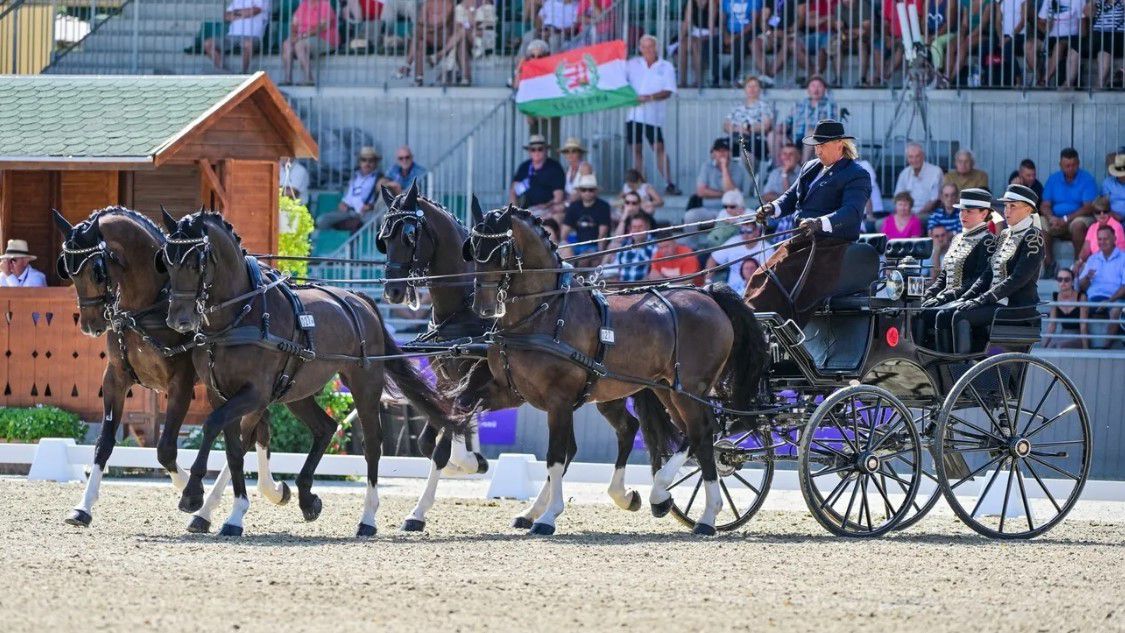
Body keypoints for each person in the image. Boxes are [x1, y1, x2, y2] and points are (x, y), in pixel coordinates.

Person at [746, 119, 872, 325]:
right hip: (802, 239)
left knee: (782, 275)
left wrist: (820, 222)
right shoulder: (811, 167)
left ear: (839, 144)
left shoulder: (856, 175)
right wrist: (772, 208)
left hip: (830, 246)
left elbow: (851, 212)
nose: (817, 151)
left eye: (822, 146)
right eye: (816, 146)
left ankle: (768, 326)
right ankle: (752, 319)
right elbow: (790, 197)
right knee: (762, 274)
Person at [934, 184, 1045, 354]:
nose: (1006, 211)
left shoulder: (1033, 236)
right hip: (997, 303)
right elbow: (987, 274)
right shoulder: (1005, 235)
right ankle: (941, 365)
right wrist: (967, 297)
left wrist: (984, 298)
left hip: (1016, 307)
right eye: (1006, 206)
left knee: (960, 316)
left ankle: (961, 366)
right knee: (944, 314)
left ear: (1028, 209)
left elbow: (1018, 278)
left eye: (1013, 206)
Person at [916, 188, 996, 347]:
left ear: (984, 213)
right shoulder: (957, 239)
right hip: (950, 296)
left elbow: (978, 280)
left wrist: (945, 297)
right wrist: (930, 293)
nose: (963, 215)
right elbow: (944, 277)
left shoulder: (988, 241)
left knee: (942, 315)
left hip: (971, 299)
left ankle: (950, 364)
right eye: (961, 211)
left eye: (969, 211)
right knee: (916, 310)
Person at [625, 35, 682, 195]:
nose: (647, 49)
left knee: (659, 148)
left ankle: (669, 183)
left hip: (654, 116)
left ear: (656, 47)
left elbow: (668, 91)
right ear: (640, 48)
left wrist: (649, 97)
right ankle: (640, 186)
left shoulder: (666, 66)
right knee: (636, 149)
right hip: (633, 114)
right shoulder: (632, 64)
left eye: (650, 46)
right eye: (644, 46)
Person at [1041, 147, 1098, 275]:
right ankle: (1049, 265)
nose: (1070, 168)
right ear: (1060, 165)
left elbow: (1089, 207)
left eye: (1073, 165)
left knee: (1078, 225)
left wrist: (1066, 219)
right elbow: (1045, 205)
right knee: (1039, 222)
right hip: (1056, 219)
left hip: (1078, 217)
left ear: (1078, 164)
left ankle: (1078, 266)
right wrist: (1051, 218)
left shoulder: (1087, 179)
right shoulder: (1053, 179)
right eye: (1067, 165)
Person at [317, 146, 388, 231]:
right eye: (364, 160)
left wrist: (370, 207)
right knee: (321, 221)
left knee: (378, 221)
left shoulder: (379, 179)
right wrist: (343, 203)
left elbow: (382, 202)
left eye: (371, 160)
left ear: (375, 163)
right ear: (360, 162)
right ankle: (334, 240)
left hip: (366, 213)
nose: (367, 163)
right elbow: (347, 198)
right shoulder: (354, 177)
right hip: (348, 212)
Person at [771, 76, 837, 161]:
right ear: (808, 90)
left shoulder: (830, 106)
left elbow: (832, 125)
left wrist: (815, 130)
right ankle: (778, 168)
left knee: (810, 133)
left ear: (824, 89)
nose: (816, 89)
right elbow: (788, 121)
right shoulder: (799, 105)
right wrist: (781, 127)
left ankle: (804, 166)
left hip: (818, 141)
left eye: (819, 86)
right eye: (813, 86)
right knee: (772, 135)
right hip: (795, 139)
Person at [1078, 224, 1125, 340]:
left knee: (1115, 310)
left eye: (1106, 239)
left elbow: (1124, 286)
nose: (1102, 242)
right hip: (1092, 299)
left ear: (1114, 239)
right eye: (1099, 239)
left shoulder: (1123, 258)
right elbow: (1082, 286)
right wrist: (1087, 277)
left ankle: (1105, 348)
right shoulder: (1092, 258)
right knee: (1082, 304)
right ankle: (1085, 347)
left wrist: (1108, 301)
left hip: (1113, 299)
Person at [281, 0, 338, 85]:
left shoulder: (325, 5)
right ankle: (288, 79)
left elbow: (323, 26)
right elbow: (294, 24)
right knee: (287, 44)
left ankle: (309, 78)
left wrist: (303, 35)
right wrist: (293, 36)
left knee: (299, 45)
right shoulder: (303, 5)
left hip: (325, 38)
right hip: (303, 37)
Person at [204, 0, 269, 73]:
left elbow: (255, 11)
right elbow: (226, 16)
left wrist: (235, 13)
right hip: (231, 37)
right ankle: (225, 71)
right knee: (208, 43)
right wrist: (244, 13)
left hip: (252, 37)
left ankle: (243, 72)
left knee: (248, 44)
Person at [510, 134, 567, 219]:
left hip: (548, 210)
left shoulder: (555, 167)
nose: (536, 152)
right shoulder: (524, 167)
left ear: (546, 151)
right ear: (529, 152)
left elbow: (558, 198)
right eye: (533, 149)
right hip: (526, 210)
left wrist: (545, 206)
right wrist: (514, 210)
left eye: (540, 149)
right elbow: (513, 191)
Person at [706, 222, 773, 292]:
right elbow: (713, 259)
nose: (745, 235)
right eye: (742, 232)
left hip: (756, 291)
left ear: (757, 231)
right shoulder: (734, 241)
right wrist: (708, 281)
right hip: (732, 291)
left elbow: (768, 276)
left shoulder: (767, 249)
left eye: (749, 231)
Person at [707, 0, 761, 86]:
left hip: (747, 34)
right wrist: (725, 35)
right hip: (729, 33)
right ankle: (718, 75)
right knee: (708, 44)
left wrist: (734, 38)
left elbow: (752, 24)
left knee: (740, 44)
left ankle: (729, 76)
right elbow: (723, 20)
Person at [688, 137, 749, 214]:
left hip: (730, 211)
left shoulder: (737, 168)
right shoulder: (706, 166)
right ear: (713, 153)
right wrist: (723, 194)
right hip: (708, 209)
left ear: (730, 153)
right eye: (718, 150)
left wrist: (724, 167)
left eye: (724, 150)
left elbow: (731, 192)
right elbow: (701, 191)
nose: (722, 153)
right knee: (690, 216)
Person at [723, 75, 774, 166]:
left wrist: (747, 128)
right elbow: (726, 125)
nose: (752, 89)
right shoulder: (737, 107)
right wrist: (737, 129)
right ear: (745, 89)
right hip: (736, 138)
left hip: (755, 140)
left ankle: (750, 178)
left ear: (760, 90)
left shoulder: (764, 106)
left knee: (745, 151)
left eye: (755, 86)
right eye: (749, 86)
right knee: (718, 146)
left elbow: (766, 126)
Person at [560, 173, 613, 260]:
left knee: (585, 258)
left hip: (594, 246)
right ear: (580, 191)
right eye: (584, 190)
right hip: (578, 244)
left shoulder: (603, 206)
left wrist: (600, 254)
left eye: (590, 190)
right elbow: (564, 233)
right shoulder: (573, 206)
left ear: (595, 191)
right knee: (564, 251)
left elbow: (602, 234)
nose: (587, 192)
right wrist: (563, 245)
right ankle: (566, 273)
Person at [1038, 0, 1087, 87]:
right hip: (1051, 37)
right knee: (1030, 45)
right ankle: (1039, 78)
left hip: (1071, 37)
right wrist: (1046, 28)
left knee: (1059, 45)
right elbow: (1040, 21)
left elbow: (1082, 23)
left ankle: (1045, 80)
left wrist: (1082, 41)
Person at [750, 0, 799, 86]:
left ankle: (769, 76)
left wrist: (786, 32)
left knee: (788, 44)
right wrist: (769, 33)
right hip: (771, 33)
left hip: (790, 33)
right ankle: (764, 74)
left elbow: (801, 18)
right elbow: (762, 20)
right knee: (754, 43)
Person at [1075, 197, 1125, 275]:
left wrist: (1094, 261)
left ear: (1109, 212)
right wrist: (1080, 261)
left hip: (1113, 262)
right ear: (1094, 214)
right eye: (1098, 212)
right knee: (1075, 269)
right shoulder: (1092, 227)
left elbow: (1114, 250)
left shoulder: (1117, 226)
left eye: (1105, 211)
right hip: (1096, 261)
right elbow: (1085, 249)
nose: (1102, 214)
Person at [893, 142, 944, 215]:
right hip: (906, 213)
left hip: (928, 213)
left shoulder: (936, 172)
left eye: (917, 156)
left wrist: (916, 216)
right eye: (911, 157)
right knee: (880, 224)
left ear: (923, 156)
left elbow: (934, 200)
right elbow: (898, 197)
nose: (914, 160)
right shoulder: (904, 173)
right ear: (907, 159)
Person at [678, 0, 720, 87]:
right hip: (696, 32)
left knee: (695, 43)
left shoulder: (712, 3)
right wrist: (680, 38)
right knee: (682, 45)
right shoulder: (691, 2)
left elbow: (711, 26)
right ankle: (682, 81)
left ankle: (698, 80)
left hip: (711, 32)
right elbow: (687, 21)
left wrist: (701, 37)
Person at [1044, 266, 1088, 348]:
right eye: (1060, 279)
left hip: (1077, 336)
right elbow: (1052, 324)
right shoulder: (1055, 297)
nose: (1063, 282)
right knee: (1050, 347)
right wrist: (1044, 346)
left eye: (1067, 280)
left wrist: (1086, 349)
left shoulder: (1081, 297)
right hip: (1063, 334)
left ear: (1072, 281)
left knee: (1060, 346)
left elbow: (1083, 325)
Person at [928, 183, 965, 278]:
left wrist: (942, 236)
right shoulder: (935, 214)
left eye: (953, 195)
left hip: (955, 248)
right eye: (946, 195)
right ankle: (934, 281)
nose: (949, 198)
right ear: (941, 197)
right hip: (937, 247)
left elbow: (960, 236)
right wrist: (949, 234)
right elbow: (931, 235)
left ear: (957, 197)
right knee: (935, 250)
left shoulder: (963, 214)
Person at [608, 213, 658, 282]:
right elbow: (616, 271)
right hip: (622, 288)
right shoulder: (624, 245)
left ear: (648, 227)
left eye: (640, 227)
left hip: (643, 289)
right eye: (634, 227)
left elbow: (654, 273)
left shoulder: (654, 246)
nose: (637, 230)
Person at [1088, 0, 1125, 89]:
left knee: (1105, 45)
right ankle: (1100, 83)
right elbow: (1087, 13)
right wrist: (1093, 3)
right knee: (1103, 46)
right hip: (1098, 34)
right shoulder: (1099, 2)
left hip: (1119, 34)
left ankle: (1101, 83)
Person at [560, 137, 595, 202]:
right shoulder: (568, 170)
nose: (570, 154)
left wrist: (565, 204)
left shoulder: (585, 167)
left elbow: (584, 191)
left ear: (580, 153)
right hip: (571, 204)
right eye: (567, 151)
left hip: (584, 205)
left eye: (574, 151)